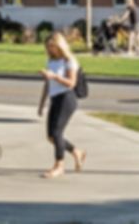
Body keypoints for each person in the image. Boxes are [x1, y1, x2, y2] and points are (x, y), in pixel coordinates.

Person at [36, 33, 87, 178]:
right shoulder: (50, 61)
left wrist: (54, 77)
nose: (49, 50)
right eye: (47, 47)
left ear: (59, 46)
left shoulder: (69, 61)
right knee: (51, 137)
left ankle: (59, 166)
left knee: (58, 133)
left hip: (67, 98)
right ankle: (76, 152)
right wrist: (41, 104)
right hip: (55, 98)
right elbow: (48, 84)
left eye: (51, 47)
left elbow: (71, 83)